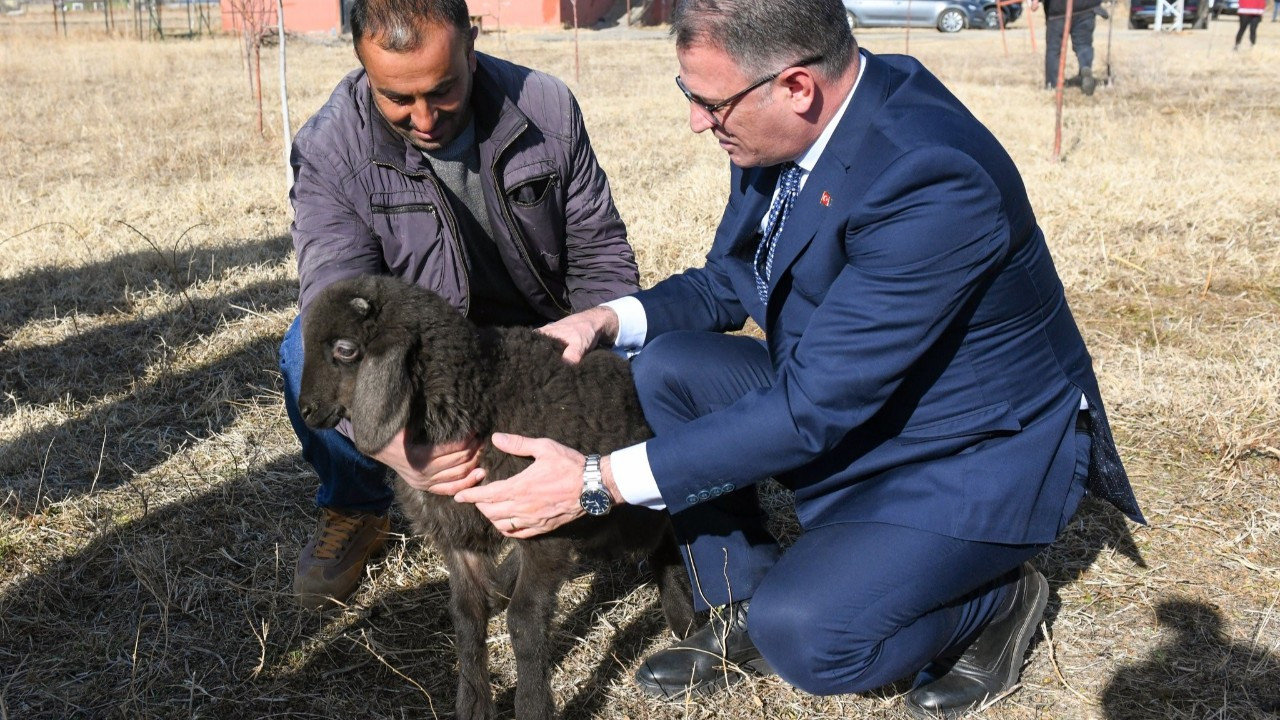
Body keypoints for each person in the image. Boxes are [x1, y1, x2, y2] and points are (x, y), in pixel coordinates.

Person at [426, 0, 1148, 716]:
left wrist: (597, 480)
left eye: (709, 103)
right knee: (665, 367)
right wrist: (607, 319)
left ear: (796, 86)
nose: (696, 122)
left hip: (967, 448)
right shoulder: (791, 128)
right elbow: (731, 278)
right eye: (690, 96)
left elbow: (813, 409)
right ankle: (737, 595)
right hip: (856, 391)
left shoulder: (929, 179)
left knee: (811, 639)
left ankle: (996, 600)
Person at [280, 0, 640, 610]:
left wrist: (582, 350)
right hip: (427, 350)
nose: (423, 117)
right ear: (364, 68)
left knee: (642, 362)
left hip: (537, 335)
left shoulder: (545, 108)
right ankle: (358, 503)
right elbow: (335, 294)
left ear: (471, 47)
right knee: (302, 351)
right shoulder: (331, 147)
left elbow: (601, 256)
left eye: (443, 90)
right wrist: (387, 442)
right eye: (398, 98)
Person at [1031, 0, 1108, 94]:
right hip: (1086, 7)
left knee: (1054, 48)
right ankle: (1085, 67)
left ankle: (1052, 84)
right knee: (1083, 44)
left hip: (1058, 10)